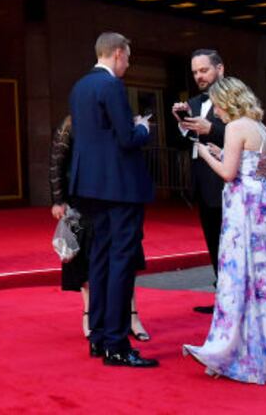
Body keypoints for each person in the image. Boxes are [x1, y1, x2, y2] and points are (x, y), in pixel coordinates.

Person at [183, 76, 266, 387]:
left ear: (227, 102)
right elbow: (250, 164)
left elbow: (229, 174)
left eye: (217, 105)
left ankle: (237, 352)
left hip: (245, 210)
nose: (215, 112)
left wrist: (204, 154)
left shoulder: (235, 127)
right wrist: (220, 151)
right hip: (265, 205)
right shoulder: (259, 127)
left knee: (241, 278)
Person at [69, 32, 156, 369]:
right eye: (129, 57)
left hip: (89, 186)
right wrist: (143, 128)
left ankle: (99, 336)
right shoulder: (111, 87)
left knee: (100, 260)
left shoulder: (79, 87)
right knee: (121, 261)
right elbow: (126, 137)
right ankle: (117, 344)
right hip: (119, 187)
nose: (129, 64)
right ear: (118, 53)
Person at [50, 114, 149, 342]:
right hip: (83, 199)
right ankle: (88, 313)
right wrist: (58, 199)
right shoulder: (72, 121)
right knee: (85, 256)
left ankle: (132, 315)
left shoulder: (120, 119)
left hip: (120, 196)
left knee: (126, 256)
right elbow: (57, 160)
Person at [172, 48, 227, 314]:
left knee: (232, 243)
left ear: (220, 69)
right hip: (203, 183)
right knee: (214, 241)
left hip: (228, 182)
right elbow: (187, 144)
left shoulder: (236, 98)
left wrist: (212, 129)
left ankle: (240, 300)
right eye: (195, 72)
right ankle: (223, 299)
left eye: (204, 70)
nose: (199, 76)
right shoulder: (193, 103)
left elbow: (250, 132)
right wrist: (182, 124)